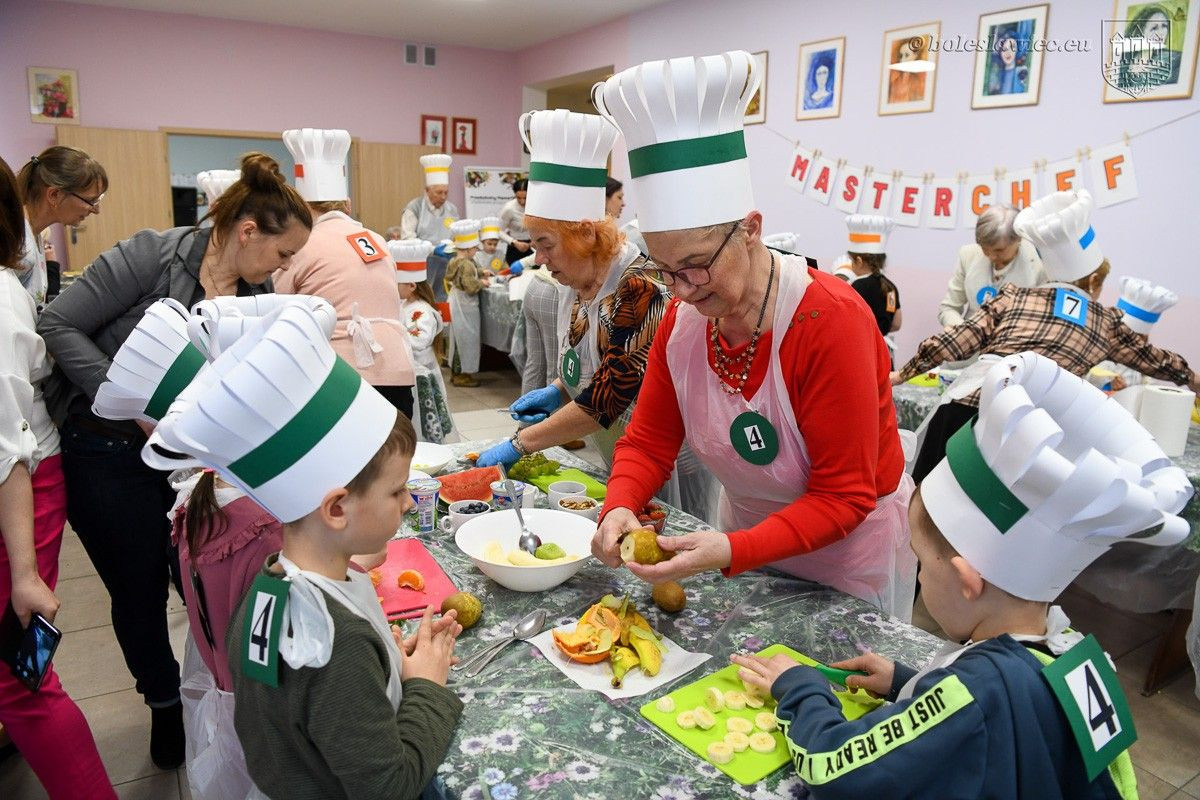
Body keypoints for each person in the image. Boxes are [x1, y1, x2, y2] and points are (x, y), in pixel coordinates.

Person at [733, 353, 1189, 800]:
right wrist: (907, 683)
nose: (919, 579)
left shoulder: (975, 692)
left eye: (921, 563)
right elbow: (1013, 727)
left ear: (967, 580)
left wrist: (801, 688)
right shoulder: (1071, 652)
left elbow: (836, 770)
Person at [592, 51, 915, 620]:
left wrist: (733, 549)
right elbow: (648, 441)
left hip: (845, 559)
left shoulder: (829, 320)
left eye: (696, 265)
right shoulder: (682, 323)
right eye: (665, 271)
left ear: (750, 230)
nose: (682, 290)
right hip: (742, 542)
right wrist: (620, 503)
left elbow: (844, 496)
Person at [37, 152, 311, 769]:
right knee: (137, 589)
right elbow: (58, 324)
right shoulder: (149, 256)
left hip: (192, 460)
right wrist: (127, 397)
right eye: (282, 253)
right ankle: (163, 702)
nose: (283, 267)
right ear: (247, 231)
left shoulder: (256, 292)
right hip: (108, 452)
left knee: (205, 577)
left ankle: (218, 690)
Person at [143, 304, 464, 800]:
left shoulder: (268, 585)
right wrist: (426, 686)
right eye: (397, 490)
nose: (407, 502)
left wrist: (381, 672)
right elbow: (388, 786)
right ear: (336, 509)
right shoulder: (338, 642)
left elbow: (299, 713)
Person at [897, 189, 1200, 483]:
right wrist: (1192, 379)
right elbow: (1155, 360)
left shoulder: (1013, 296)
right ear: (1094, 281)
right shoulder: (1104, 321)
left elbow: (955, 340)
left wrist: (902, 374)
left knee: (923, 499)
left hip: (962, 411)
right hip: (1017, 432)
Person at [0, 155, 116, 799]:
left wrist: (26, 574)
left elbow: (8, 449)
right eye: (87, 201)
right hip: (18, 470)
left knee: (22, 682)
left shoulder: (3, 294)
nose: (89, 214)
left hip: (22, 481)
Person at [476, 109, 671, 473]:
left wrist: (521, 443)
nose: (539, 258)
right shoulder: (574, 283)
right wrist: (559, 390)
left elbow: (609, 397)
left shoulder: (640, 288)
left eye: (546, 245)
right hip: (619, 451)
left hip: (665, 463)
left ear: (585, 234)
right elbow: (591, 362)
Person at [273, 128, 416, 418]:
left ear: (300, 208)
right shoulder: (376, 239)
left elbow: (275, 306)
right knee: (393, 445)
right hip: (397, 371)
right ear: (347, 205)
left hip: (338, 376)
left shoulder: (300, 244)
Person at [16, 146, 108, 312]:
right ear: (54, 195)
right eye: (90, 201)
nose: (96, 210)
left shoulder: (36, 235)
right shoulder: (18, 243)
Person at [390, 238, 455, 443]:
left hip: (421, 377)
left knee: (423, 422)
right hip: (411, 373)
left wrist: (392, 335)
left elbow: (419, 341)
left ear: (411, 285)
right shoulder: (405, 304)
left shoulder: (421, 311)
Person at [938, 204, 1045, 329]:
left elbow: (1044, 317)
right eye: (984, 248)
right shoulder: (968, 255)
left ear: (1018, 239)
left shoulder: (1040, 263)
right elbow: (948, 308)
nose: (991, 256)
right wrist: (965, 331)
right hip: (971, 335)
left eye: (999, 250)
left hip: (1017, 335)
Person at [844, 215, 902, 367]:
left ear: (859, 261)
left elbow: (847, 322)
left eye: (851, 261)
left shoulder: (857, 286)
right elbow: (896, 324)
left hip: (863, 353)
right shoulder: (890, 287)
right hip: (884, 354)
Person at [401, 154, 459, 305]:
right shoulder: (414, 208)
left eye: (446, 192)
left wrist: (455, 247)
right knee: (422, 301)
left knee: (443, 301)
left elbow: (457, 234)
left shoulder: (452, 209)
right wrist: (433, 250)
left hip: (446, 266)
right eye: (439, 192)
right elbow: (407, 239)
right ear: (427, 190)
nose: (443, 197)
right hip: (421, 266)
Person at [445, 219, 487, 387]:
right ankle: (462, 375)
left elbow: (461, 275)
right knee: (466, 339)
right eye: (475, 248)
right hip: (465, 306)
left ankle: (456, 372)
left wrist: (481, 271)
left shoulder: (455, 261)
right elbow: (470, 286)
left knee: (457, 339)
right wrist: (482, 283)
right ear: (469, 249)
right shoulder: (467, 264)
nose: (477, 250)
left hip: (456, 301)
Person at [498, 177, 531, 266]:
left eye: (525, 198)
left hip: (534, 246)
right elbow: (499, 231)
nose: (522, 201)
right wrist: (514, 242)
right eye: (518, 198)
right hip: (515, 247)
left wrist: (535, 242)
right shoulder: (509, 208)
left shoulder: (536, 206)